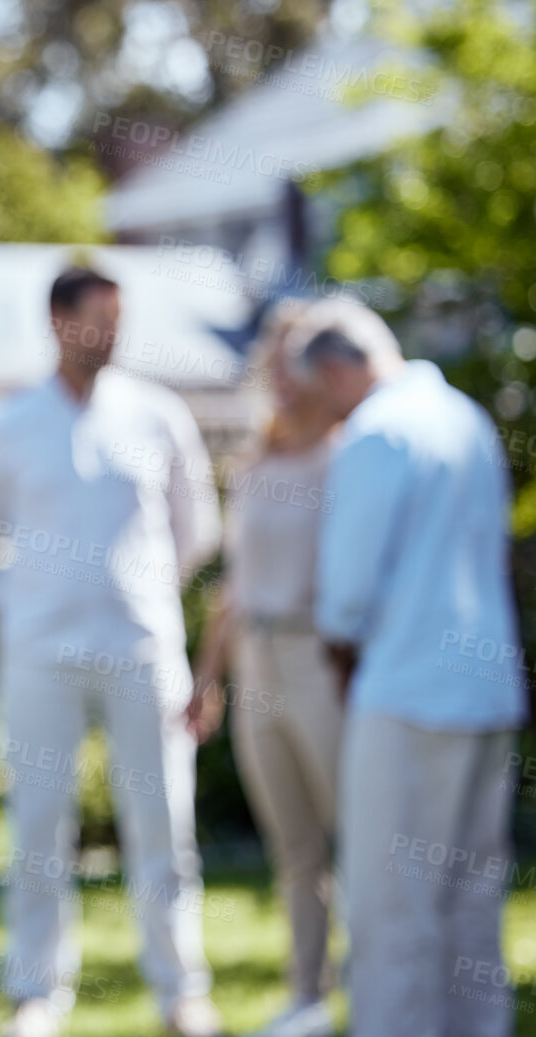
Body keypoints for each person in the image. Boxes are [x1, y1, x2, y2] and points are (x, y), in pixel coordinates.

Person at [0, 263, 222, 1037]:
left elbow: (194, 528)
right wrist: (35, 605)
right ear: (56, 320)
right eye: (96, 318)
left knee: (161, 822)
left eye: (117, 318)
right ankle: (35, 993)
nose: (110, 334)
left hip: (142, 647)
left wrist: (137, 593)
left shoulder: (157, 414)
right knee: (39, 822)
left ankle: (181, 989)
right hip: (40, 653)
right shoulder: (4, 425)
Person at [289, 299, 528, 1037]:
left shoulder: (375, 431)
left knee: (392, 899)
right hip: (485, 691)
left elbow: (346, 589)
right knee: (468, 893)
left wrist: (335, 645)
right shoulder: (466, 418)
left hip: (406, 691)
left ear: (336, 370)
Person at [186, 300, 343, 1037]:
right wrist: (206, 674)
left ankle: (382, 985)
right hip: (258, 662)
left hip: (324, 658)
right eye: (273, 358)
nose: (282, 375)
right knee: (293, 843)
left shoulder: (345, 452)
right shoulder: (252, 462)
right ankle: (306, 995)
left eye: (296, 358)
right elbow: (235, 584)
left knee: (356, 828)